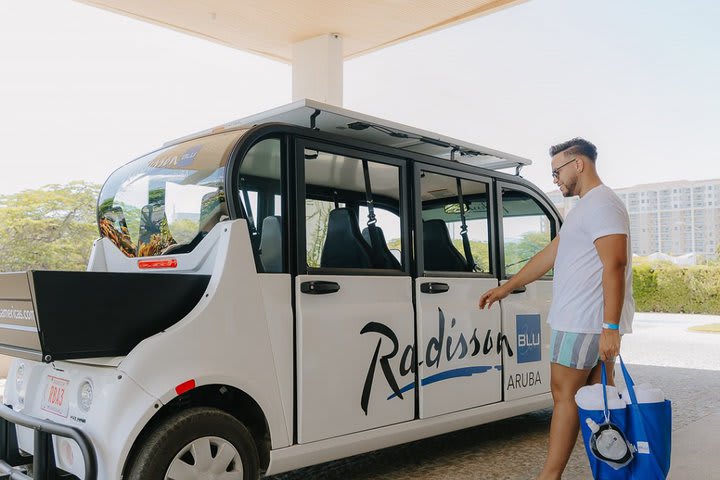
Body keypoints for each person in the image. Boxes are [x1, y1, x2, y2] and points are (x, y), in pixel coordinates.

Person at [478, 138, 634, 480]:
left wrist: (610, 327)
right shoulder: (586, 209)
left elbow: (615, 264)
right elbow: (549, 255)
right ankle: (612, 472)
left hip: (582, 322)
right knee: (598, 405)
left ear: (579, 163)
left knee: (565, 398)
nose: (555, 180)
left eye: (557, 171)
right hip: (589, 324)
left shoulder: (602, 205)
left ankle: (549, 476)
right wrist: (506, 287)